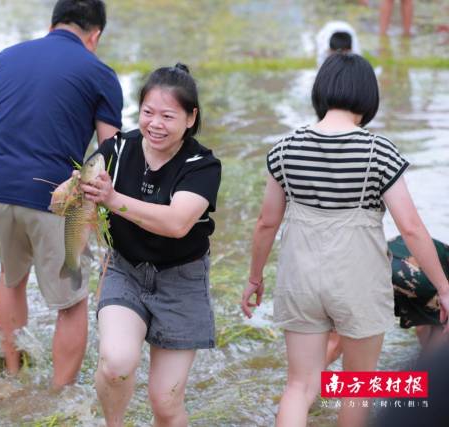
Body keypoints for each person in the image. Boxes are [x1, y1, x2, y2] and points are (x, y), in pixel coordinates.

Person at [240, 53, 449, 427]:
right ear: (369, 98)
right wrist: (444, 287)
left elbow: (265, 224)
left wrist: (254, 278)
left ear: (321, 92)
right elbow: (413, 227)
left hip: (300, 278)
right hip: (358, 281)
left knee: (300, 385)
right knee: (358, 386)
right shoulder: (379, 152)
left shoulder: (285, 149)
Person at [0, 0, 123, 388]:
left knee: (11, 277)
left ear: (53, 23)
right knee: (71, 302)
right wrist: (110, 217)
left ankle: (13, 375)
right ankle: (57, 394)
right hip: (52, 195)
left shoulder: (4, 59)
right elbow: (111, 152)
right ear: (95, 34)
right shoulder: (99, 73)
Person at [79, 63, 221, 426]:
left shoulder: (201, 165)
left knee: (165, 403)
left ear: (191, 118)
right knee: (116, 364)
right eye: (148, 113)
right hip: (125, 270)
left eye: (167, 116)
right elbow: (80, 184)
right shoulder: (119, 148)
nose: (155, 124)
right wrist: (69, 192)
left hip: (181, 281)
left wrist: (112, 200)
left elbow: (176, 223)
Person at [326, 235, 449, 365]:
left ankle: (309, 383)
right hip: (414, 277)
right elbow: (423, 326)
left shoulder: (427, 244)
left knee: (334, 343)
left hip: (366, 264)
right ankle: (429, 373)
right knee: (438, 339)